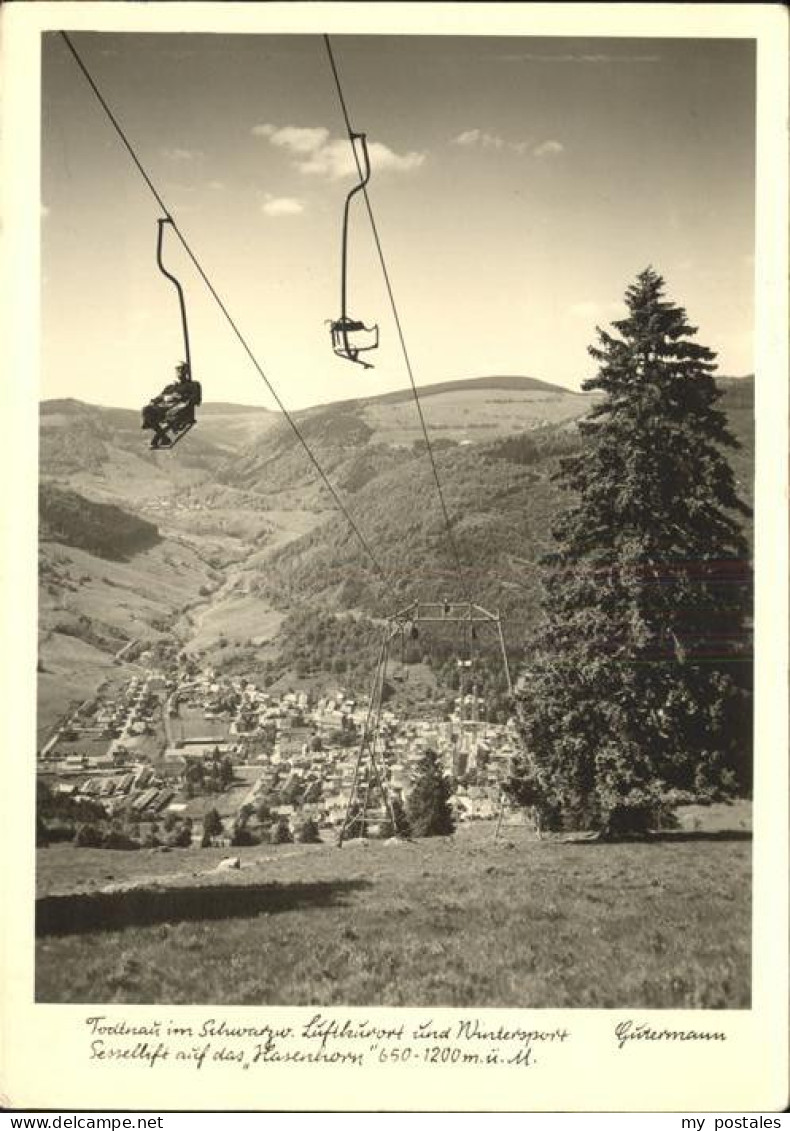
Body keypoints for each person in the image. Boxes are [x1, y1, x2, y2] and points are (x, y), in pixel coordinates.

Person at [142, 363, 201, 448]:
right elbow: (159, 397)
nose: (180, 373)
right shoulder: (170, 387)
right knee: (147, 410)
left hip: (181, 409)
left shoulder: (193, 385)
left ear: (186, 372)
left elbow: (196, 399)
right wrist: (156, 401)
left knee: (171, 413)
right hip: (165, 407)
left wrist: (181, 397)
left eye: (182, 370)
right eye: (178, 371)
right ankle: (163, 437)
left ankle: (162, 437)